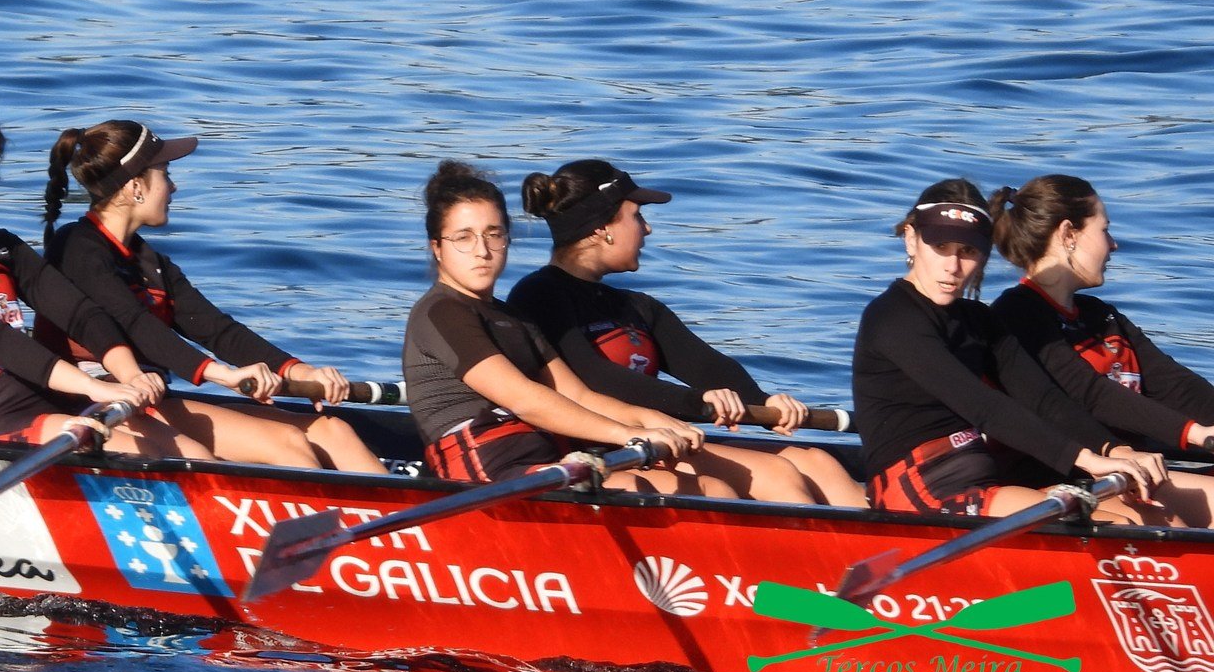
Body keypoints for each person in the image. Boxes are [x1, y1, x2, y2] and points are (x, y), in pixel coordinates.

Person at [0, 77, 202, 457]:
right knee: (150, 456)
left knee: (192, 455)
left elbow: (80, 314)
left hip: (32, 387)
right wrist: (94, 387)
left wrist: (129, 375)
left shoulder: (2, 246)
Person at [508, 160, 863, 507]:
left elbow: (706, 366)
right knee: (776, 474)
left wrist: (764, 401)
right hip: (594, 446)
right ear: (603, 227)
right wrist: (700, 404)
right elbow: (595, 379)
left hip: (661, 437)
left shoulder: (636, 306)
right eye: (637, 216)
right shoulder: (539, 296)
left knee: (817, 462)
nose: (647, 229)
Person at [40, 118, 385, 473]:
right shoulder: (76, 249)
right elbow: (136, 323)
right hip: (92, 404)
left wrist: (301, 371)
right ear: (135, 187)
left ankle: (418, 524)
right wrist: (222, 376)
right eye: (165, 173)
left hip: (151, 400)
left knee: (333, 430)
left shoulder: (149, 262)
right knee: (290, 446)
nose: (173, 187)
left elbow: (218, 330)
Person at [851, 178, 1169, 522]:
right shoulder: (891, 317)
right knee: (1111, 530)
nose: (953, 267)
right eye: (941, 247)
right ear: (911, 239)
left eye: (968, 252)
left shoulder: (979, 320)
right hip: (918, 486)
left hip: (981, 480)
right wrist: (1087, 460)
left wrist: (1111, 449)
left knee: (1144, 519)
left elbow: (1045, 400)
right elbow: (983, 406)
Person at [402, 160, 719, 495]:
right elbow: (525, 400)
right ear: (437, 248)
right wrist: (626, 434)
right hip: (484, 469)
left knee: (709, 489)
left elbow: (578, 395)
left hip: (546, 459)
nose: (482, 251)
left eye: (493, 234)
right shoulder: (441, 312)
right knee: (638, 487)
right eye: (463, 238)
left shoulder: (514, 319)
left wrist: (648, 419)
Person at [989, 174, 1214, 526]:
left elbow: (1174, 384)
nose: (1114, 245)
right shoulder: (1016, 316)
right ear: (1068, 234)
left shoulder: (1100, 315)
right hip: (1060, 477)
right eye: (1105, 230)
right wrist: (1197, 434)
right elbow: (1089, 394)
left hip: (1129, 470)